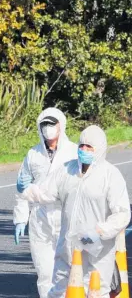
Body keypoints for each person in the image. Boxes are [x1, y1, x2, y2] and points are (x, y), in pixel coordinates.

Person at [18, 125, 130, 298]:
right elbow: (45, 192)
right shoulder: (66, 170)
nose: (84, 150)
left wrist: (100, 231)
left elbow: (122, 214)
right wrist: (26, 190)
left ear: (99, 149)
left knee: (95, 292)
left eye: (89, 147)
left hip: (98, 252)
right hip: (68, 248)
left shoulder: (110, 176)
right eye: (81, 146)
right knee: (59, 292)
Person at [13, 107, 78, 298]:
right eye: (44, 125)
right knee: (44, 271)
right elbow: (21, 189)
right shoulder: (33, 154)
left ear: (61, 125)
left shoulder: (74, 152)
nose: (48, 128)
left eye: (52, 124)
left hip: (66, 216)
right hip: (40, 219)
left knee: (69, 270)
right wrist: (20, 218)